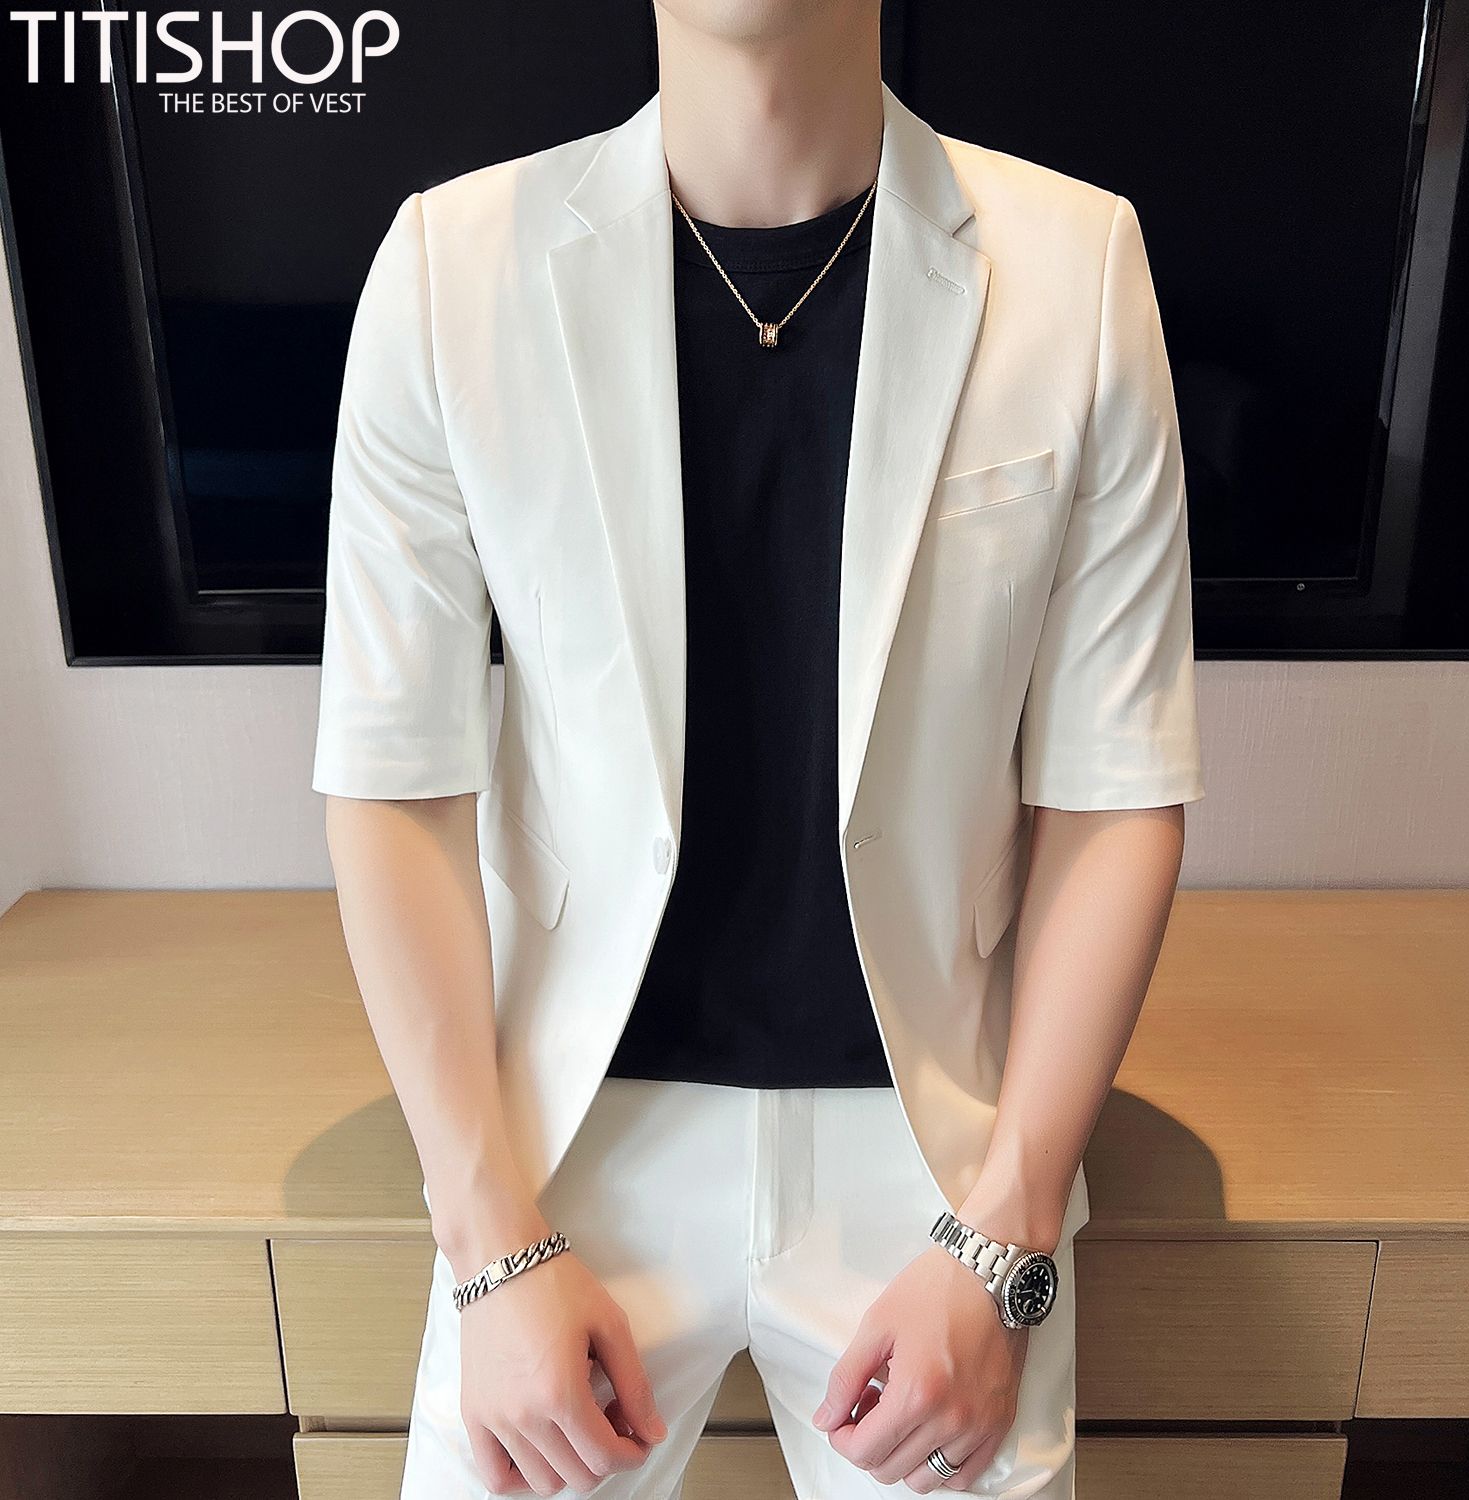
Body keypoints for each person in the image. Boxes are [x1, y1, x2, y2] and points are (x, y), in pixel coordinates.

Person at [311, 2, 1206, 1496]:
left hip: (937, 1159)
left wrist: (1007, 1235)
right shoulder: (446, 271)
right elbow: (393, 786)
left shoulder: (1078, 266)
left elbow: (1116, 794)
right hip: (564, 1151)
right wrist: (486, 1243)